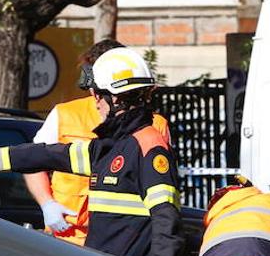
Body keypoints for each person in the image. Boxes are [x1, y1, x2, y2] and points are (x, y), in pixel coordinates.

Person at [0, 47, 183, 256]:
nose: (95, 102)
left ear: (115, 97)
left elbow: (167, 222)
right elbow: (45, 155)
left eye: (97, 95)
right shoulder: (110, 147)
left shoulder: (148, 146)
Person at [24, 39, 172, 244]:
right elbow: (34, 161)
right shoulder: (65, 114)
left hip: (124, 238)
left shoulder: (156, 125)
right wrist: (47, 204)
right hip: (68, 234)